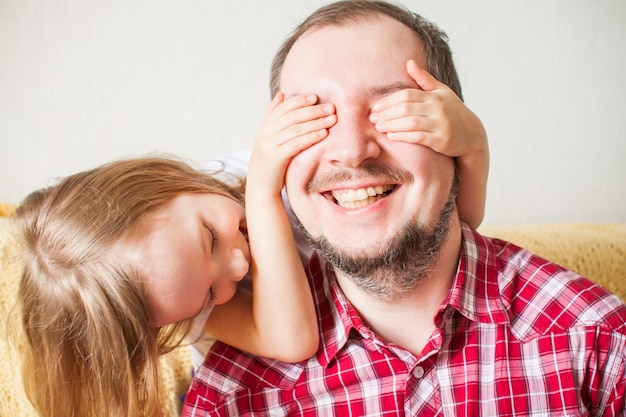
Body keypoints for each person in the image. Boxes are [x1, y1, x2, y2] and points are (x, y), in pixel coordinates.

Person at [181, 1, 626, 416]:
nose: (352, 152)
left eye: (395, 109)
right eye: (312, 118)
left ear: (454, 135)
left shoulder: (598, 341)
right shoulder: (230, 395)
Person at [15, 62, 487, 417]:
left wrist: (473, 145)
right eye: (209, 293)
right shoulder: (177, 284)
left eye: (210, 239)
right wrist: (261, 193)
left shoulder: (253, 172)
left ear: (161, 182)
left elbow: (456, 230)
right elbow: (293, 339)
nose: (235, 270)